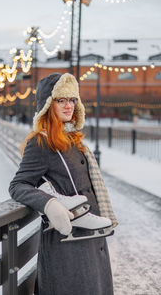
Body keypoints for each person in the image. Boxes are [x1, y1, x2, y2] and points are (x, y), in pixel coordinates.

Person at [9, 72, 118, 295]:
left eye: (72, 100)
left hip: (91, 238)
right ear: (48, 104)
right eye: (61, 100)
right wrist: (49, 204)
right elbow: (18, 185)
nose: (68, 106)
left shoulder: (74, 140)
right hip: (67, 245)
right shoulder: (41, 142)